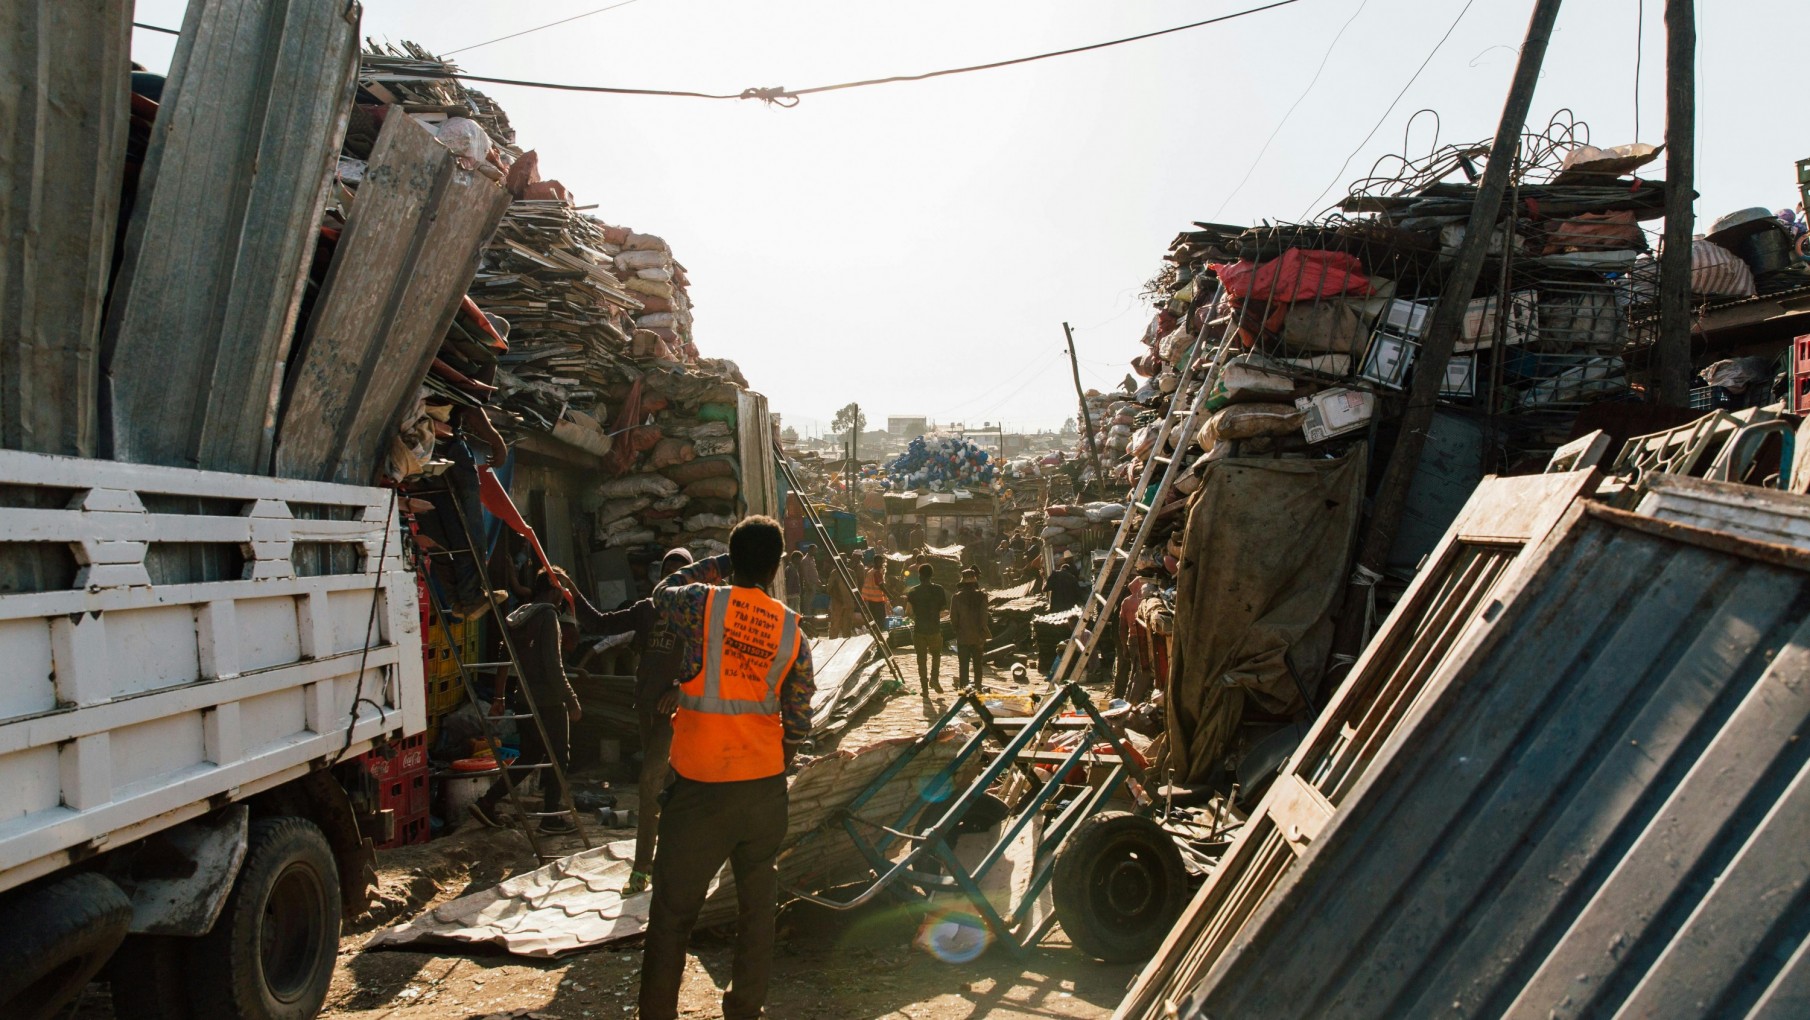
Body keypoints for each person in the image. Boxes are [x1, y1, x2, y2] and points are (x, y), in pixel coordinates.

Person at [638, 517, 814, 1020]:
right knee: (758, 913)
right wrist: (781, 758)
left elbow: (660, 592)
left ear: (730, 561)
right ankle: (743, 1010)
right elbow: (799, 713)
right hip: (762, 790)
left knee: (672, 915)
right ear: (778, 565)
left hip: (699, 787)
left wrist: (718, 564)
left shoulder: (701, 603)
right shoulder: (789, 628)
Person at [588, 548, 715, 893]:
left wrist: (681, 689)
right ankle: (684, 852)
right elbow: (601, 622)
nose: (672, 581)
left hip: (675, 713)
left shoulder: (696, 614)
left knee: (649, 782)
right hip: (646, 707)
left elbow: (711, 661)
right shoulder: (647, 610)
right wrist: (569, 590)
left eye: (680, 574)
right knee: (669, 784)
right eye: (668, 573)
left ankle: (642, 869)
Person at [468, 564, 583, 834]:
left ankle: (487, 801)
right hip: (547, 700)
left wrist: (499, 697)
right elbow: (553, 665)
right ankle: (551, 817)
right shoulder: (547, 617)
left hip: (522, 698)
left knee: (530, 756)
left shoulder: (521, 614)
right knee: (559, 757)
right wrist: (571, 698)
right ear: (555, 591)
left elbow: (503, 658)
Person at [906, 563, 948, 695]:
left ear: (919, 576)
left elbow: (908, 612)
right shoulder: (939, 590)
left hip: (919, 630)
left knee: (921, 659)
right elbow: (943, 611)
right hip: (935, 629)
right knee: (936, 655)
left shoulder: (913, 591)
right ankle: (934, 679)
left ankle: (924, 688)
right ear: (931, 575)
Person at [949, 567, 991, 688]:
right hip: (978, 636)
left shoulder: (956, 597)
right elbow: (984, 618)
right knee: (977, 665)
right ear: (975, 582)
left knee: (963, 665)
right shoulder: (982, 596)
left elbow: (953, 618)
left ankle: (964, 689)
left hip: (962, 636)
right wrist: (983, 633)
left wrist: (957, 630)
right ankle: (978, 687)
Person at [826, 551, 857, 638]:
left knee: (842, 627)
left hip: (843, 603)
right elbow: (829, 590)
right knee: (840, 627)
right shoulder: (846, 573)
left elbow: (828, 589)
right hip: (842, 603)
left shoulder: (841, 573)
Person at [860, 551, 890, 629]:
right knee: (880, 618)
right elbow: (881, 586)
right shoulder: (877, 573)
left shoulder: (870, 571)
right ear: (877, 562)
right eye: (881, 562)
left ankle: (874, 631)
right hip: (877, 600)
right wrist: (890, 595)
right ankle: (880, 632)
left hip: (870, 599)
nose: (882, 564)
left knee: (873, 617)